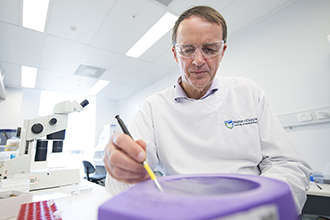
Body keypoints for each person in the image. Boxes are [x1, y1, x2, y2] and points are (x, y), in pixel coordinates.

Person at [103, 5, 312, 214]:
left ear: (222, 52)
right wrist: (120, 168)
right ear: (176, 54)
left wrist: (257, 209)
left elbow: (288, 166)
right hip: (183, 213)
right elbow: (124, 182)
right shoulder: (153, 107)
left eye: (210, 49)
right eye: (187, 49)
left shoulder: (248, 92)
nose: (198, 61)